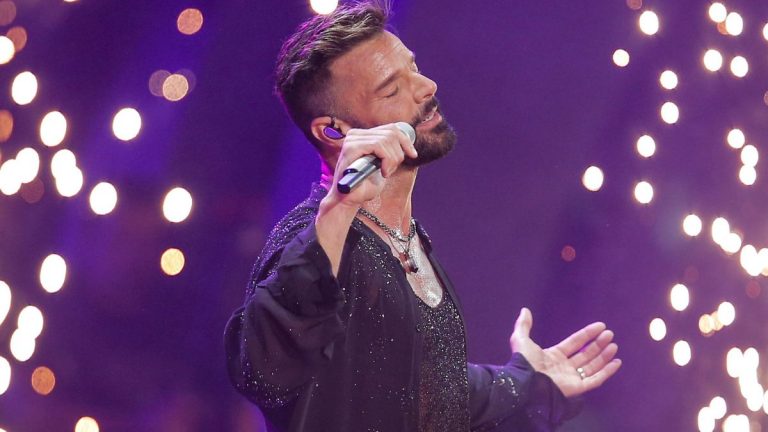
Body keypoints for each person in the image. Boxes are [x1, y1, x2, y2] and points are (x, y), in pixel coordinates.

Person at [224, 2, 621, 431]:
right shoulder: (312, 239)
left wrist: (528, 383)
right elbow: (263, 370)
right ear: (334, 131)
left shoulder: (407, 239)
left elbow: (428, 396)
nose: (427, 86)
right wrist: (339, 209)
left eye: (413, 68)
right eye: (391, 90)